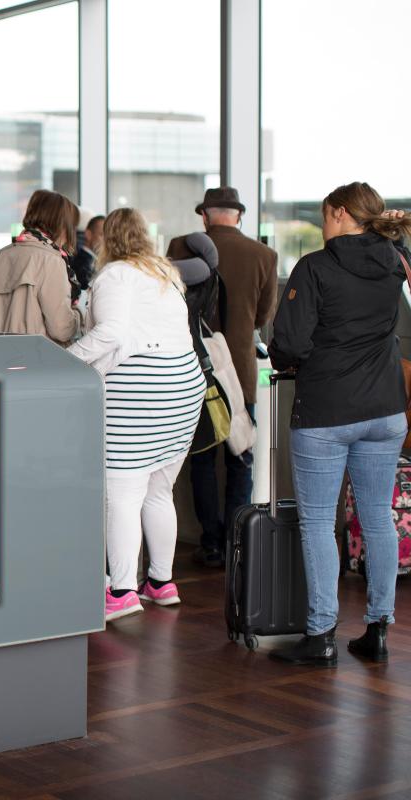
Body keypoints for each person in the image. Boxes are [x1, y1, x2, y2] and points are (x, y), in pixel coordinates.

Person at [267, 183, 411, 667]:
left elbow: (287, 341)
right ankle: (378, 630)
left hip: (326, 411)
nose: (323, 223)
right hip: (386, 411)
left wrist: (290, 360)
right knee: (376, 519)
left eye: (326, 214)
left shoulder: (315, 267)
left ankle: (321, 635)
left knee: (316, 524)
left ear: (341, 213)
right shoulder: (394, 261)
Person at [68, 208, 206, 621]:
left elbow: (112, 332)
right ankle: (160, 583)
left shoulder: (115, 274)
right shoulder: (164, 274)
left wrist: (68, 360)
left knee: (123, 493)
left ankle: (123, 590)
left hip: (142, 388)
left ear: (106, 238)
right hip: (185, 385)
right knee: (158, 490)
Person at [168, 187, 278, 568]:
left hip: (192, 368)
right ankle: (238, 542)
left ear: (204, 216)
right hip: (239, 372)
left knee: (200, 459)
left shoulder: (180, 248)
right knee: (239, 456)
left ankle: (210, 542)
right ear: (239, 216)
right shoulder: (264, 255)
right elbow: (264, 316)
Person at [0, 189, 81, 344]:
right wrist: (79, 314)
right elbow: (61, 330)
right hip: (39, 362)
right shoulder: (51, 261)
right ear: (63, 224)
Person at [71, 215, 104, 295]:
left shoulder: (93, 262)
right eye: (102, 235)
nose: (106, 240)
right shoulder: (82, 265)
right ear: (88, 234)